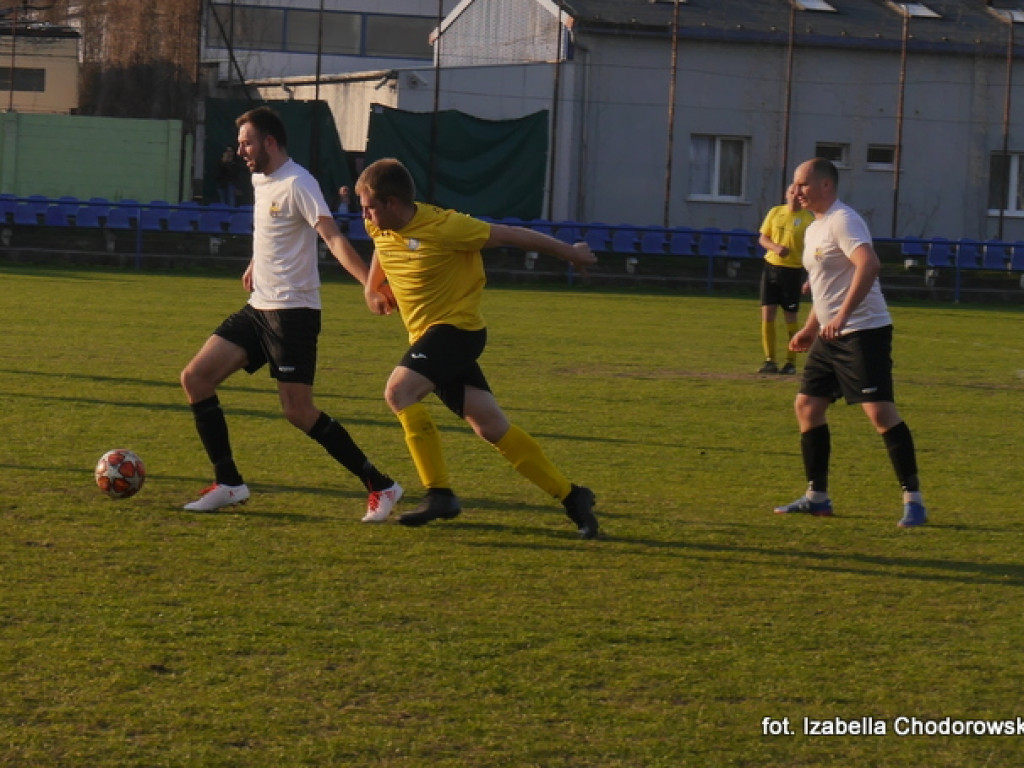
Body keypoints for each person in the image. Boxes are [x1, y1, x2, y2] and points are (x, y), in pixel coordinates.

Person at [354, 157, 600, 538]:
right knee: (491, 426)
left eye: (369, 206)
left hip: (457, 330)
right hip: (427, 338)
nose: (363, 215)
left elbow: (514, 235)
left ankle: (439, 494)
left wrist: (571, 254)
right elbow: (380, 247)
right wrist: (373, 287)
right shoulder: (380, 225)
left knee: (399, 391)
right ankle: (573, 497)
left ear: (392, 203)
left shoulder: (447, 227)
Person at [180, 107, 403, 521]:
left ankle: (381, 484)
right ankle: (229, 483)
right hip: (258, 307)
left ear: (270, 141)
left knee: (298, 412)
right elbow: (270, 229)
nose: (241, 150)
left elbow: (332, 238)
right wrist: (255, 262)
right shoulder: (260, 179)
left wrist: (370, 287)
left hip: (292, 312)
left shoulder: (300, 182)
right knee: (195, 378)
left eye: (247, 142)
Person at [773, 158, 927, 528]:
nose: (796, 191)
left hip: (863, 332)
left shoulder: (844, 220)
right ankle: (817, 497)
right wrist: (812, 326)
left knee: (879, 414)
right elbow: (827, 289)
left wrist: (841, 316)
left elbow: (869, 265)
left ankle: (914, 501)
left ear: (826, 185)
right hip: (830, 335)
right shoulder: (814, 228)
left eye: (803, 185)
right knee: (807, 407)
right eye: (794, 184)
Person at [757, 183, 815, 375]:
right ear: (786, 194)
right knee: (767, 313)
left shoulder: (808, 219)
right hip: (771, 268)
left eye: (798, 194)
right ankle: (769, 360)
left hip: (793, 271)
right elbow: (762, 239)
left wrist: (810, 277)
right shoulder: (775, 212)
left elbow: (814, 251)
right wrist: (775, 248)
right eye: (791, 192)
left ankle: (790, 362)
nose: (794, 196)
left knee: (790, 315)